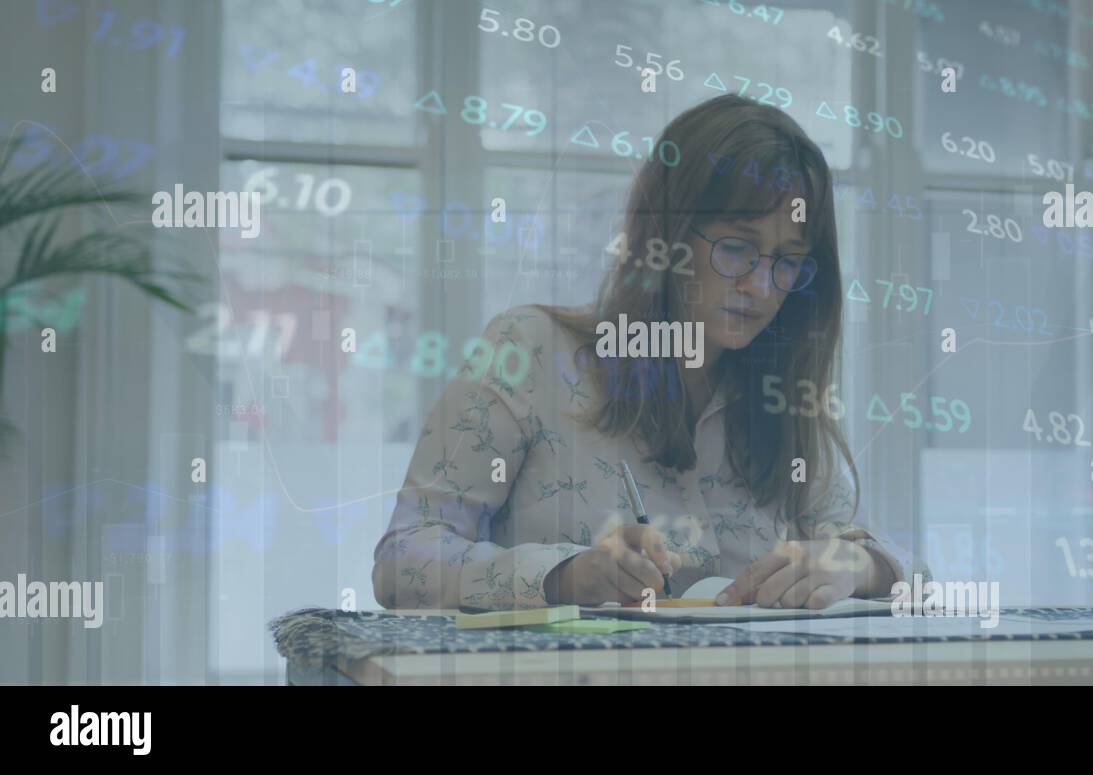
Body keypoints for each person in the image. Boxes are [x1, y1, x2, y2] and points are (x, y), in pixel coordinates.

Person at [372, 94, 925, 611]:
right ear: (665, 239)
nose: (761, 286)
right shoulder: (530, 349)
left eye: (787, 262)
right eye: (737, 248)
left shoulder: (784, 395)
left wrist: (858, 565)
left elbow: (918, 578)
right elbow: (402, 561)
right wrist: (566, 576)